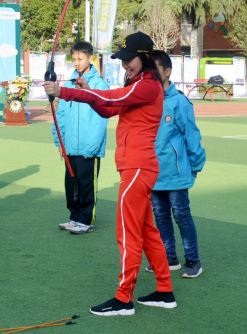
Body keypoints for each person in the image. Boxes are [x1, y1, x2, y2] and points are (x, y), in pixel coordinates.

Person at [43, 32, 175, 316]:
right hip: (136, 166)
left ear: (145, 57)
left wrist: (64, 91)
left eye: (129, 59)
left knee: (128, 233)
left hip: (138, 167)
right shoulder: (139, 83)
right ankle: (165, 291)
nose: (125, 64)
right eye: (123, 59)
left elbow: (111, 97)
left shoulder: (148, 86)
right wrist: (84, 90)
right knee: (148, 231)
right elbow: (107, 109)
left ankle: (124, 298)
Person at [146, 50, 206, 278]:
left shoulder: (179, 102)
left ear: (167, 71)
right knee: (160, 214)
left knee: (182, 214)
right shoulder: (148, 98)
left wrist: (194, 166)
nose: (150, 75)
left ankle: (193, 259)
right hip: (154, 172)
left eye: (155, 70)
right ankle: (169, 256)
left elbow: (192, 136)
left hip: (177, 173)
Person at [54, 41, 109, 234]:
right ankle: (74, 217)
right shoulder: (69, 83)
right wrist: (59, 141)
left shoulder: (99, 84)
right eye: (74, 59)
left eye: (80, 58)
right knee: (71, 184)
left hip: (88, 147)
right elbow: (60, 114)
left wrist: (91, 147)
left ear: (90, 58)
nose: (76, 63)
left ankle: (86, 219)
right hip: (69, 145)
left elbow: (101, 119)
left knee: (86, 184)